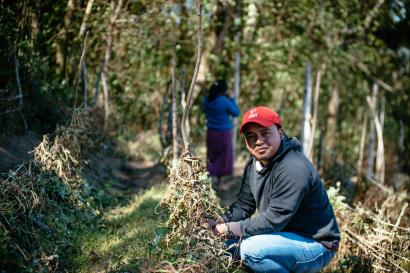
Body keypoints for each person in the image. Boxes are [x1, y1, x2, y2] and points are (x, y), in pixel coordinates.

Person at [208, 106, 340, 273]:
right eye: (251, 136)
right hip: (282, 237)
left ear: (281, 133)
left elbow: (274, 219)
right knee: (225, 248)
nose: (258, 140)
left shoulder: (293, 166)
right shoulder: (253, 165)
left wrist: (227, 229)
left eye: (265, 133)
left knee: (251, 250)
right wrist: (216, 221)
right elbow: (243, 207)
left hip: (315, 245)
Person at [204, 79, 240, 190]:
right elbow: (236, 113)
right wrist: (232, 99)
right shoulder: (224, 101)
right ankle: (219, 183)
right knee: (223, 156)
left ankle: (210, 180)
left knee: (212, 155)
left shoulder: (206, 100)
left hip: (211, 132)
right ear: (223, 90)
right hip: (223, 133)